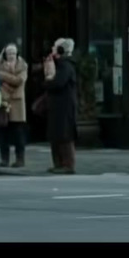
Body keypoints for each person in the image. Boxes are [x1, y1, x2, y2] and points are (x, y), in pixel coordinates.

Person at [0, 44, 29, 169]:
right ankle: (4, 159)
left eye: (13, 53)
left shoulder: (23, 65)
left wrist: (3, 77)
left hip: (17, 102)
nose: (11, 55)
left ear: (17, 54)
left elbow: (19, 80)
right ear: (5, 54)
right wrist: (2, 84)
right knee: (4, 133)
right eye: (9, 53)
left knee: (18, 133)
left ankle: (20, 159)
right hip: (4, 102)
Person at [44, 38, 79, 174]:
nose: (52, 49)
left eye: (55, 47)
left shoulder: (66, 66)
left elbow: (57, 83)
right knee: (56, 135)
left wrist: (48, 79)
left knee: (65, 135)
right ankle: (58, 163)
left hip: (64, 106)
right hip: (56, 105)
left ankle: (67, 164)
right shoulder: (58, 65)